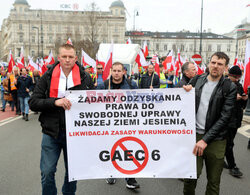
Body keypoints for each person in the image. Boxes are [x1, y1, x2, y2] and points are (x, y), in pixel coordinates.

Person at [29, 44, 94, 195]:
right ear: (59, 58)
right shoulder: (48, 76)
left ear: (75, 58)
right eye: (64, 57)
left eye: (70, 57)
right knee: (47, 172)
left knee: (72, 174)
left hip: (75, 134)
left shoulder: (85, 77)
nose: (67, 60)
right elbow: (33, 103)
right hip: (51, 132)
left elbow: (94, 103)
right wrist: (55, 102)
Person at [183, 52, 237, 195]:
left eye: (220, 64)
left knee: (213, 181)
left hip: (216, 140)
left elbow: (225, 118)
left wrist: (205, 139)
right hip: (194, 136)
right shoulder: (196, 80)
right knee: (190, 177)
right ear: (209, 63)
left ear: (225, 68)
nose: (215, 66)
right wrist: (185, 90)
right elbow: (183, 103)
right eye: (213, 62)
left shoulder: (229, 87)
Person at [99, 62, 140, 189]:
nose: (116, 73)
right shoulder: (104, 85)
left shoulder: (132, 85)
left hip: (126, 123)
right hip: (109, 124)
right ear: (111, 71)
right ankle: (111, 173)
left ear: (124, 72)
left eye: (119, 70)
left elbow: (140, 100)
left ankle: (130, 178)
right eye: (114, 70)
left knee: (128, 148)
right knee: (111, 148)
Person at [224, 66, 248, 177]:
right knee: (229, 144)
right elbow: (221, 101)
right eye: (235, 77)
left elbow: (242, 105)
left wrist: (244, 99)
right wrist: (233, 98)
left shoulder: (238, 85)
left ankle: (221, 160)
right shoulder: (225, 83)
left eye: (238, 77)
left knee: (229, 142)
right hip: (228, 119)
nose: (237, 79)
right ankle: (232, 166)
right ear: (230, 75)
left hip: (236, 118)